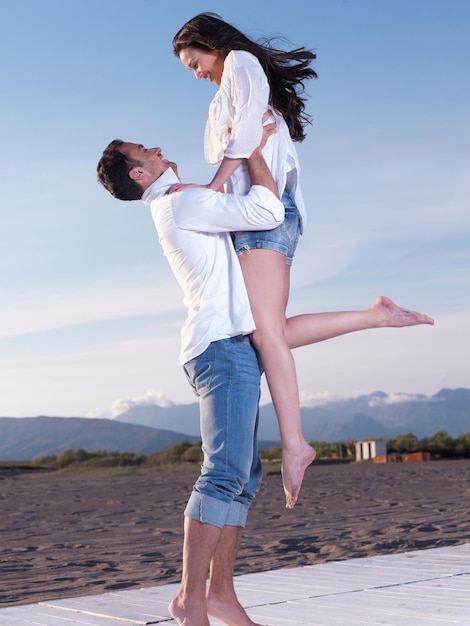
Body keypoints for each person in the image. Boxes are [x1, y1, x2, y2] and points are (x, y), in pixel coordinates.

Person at [170, 13, 434, 508]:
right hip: (261, 213)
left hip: (264, 215)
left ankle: (295, 444)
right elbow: (220, 145)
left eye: (194, 61)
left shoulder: (242, 63)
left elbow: (241, 138)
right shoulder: (224, 93)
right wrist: (233, 142)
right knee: (266, 331)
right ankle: (377, 315)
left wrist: (216, 177)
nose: (196, 72)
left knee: (265, 334)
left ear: (210, 44)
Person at [97, 127, 284, 626]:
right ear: (139, 173)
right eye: (143, 151)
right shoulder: (181, 204)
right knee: (224, 474)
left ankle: (220, 593)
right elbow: (269, 211)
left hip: (227, 345)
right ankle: (189, 599)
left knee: (243, 476)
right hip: (220, 347)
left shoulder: (184, 200)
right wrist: (256, 148)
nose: (156, 147)